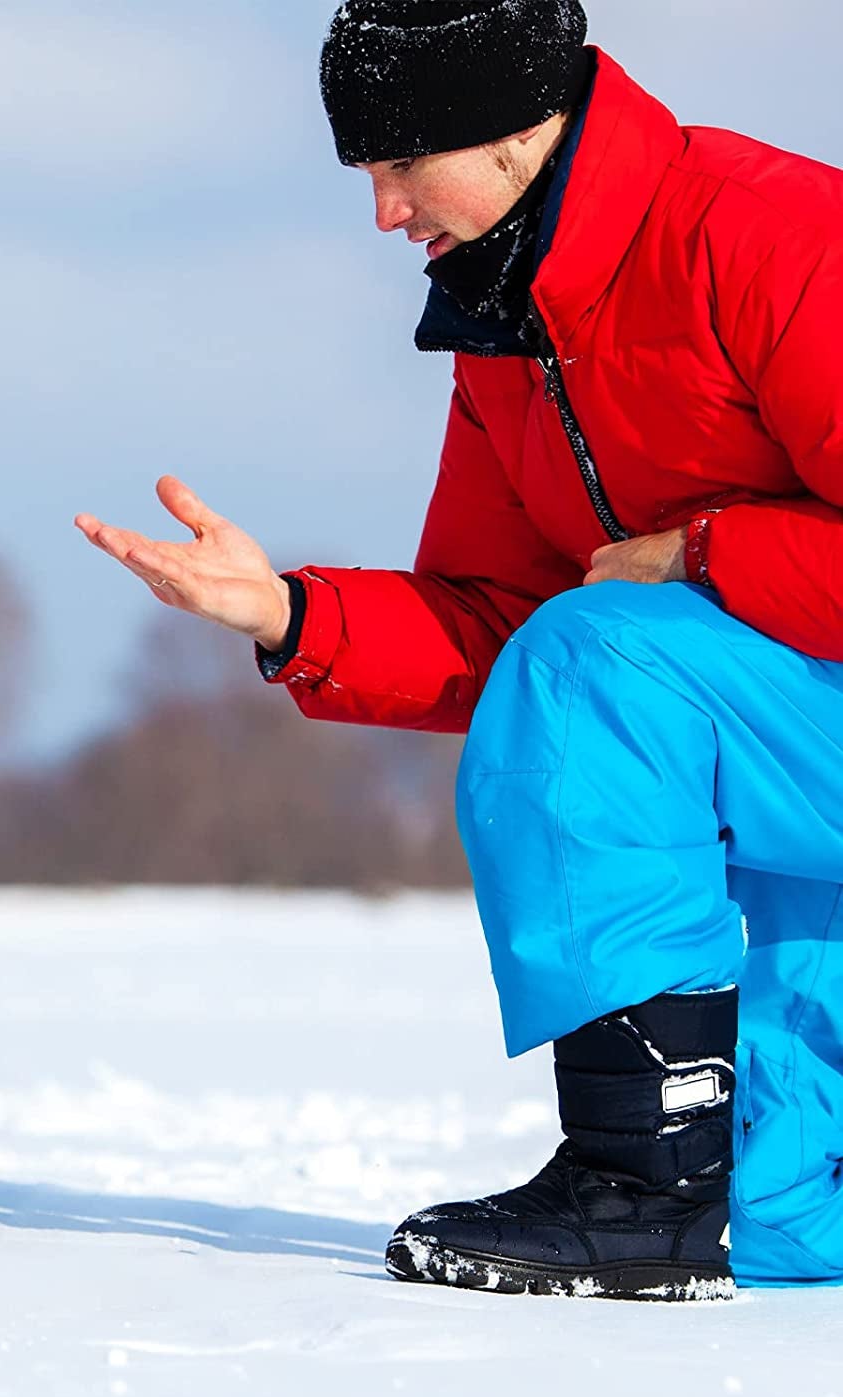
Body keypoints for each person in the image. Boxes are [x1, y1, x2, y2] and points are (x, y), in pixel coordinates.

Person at [74, 0, 843, 1300]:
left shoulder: (769, 234)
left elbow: (587, 662)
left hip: (781, 730)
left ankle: (636, 1183)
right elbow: (500, 622)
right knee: (772, 1213)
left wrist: (703, 554)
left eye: (396, 165)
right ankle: (692, 1195)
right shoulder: (512, 331)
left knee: (600, 660)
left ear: (510, 128)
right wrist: (290, 616)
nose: (383, 213)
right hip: (778, 758)